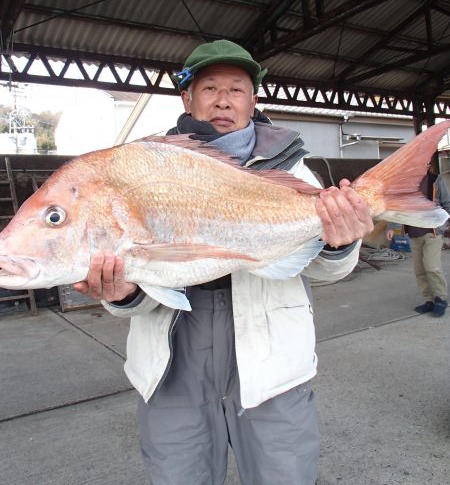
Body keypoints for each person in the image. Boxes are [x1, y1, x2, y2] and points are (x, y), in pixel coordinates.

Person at [74, 40, 374, 485]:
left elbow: (324, 271)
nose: (222, 99)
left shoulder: (292, 168)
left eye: (236, 89)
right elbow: (139, 288)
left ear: (253, 100)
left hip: (271, 359)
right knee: (179, 475)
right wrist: (122, 294)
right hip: (173, 359)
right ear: (187, 99)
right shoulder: (146, 165)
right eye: (209, 87)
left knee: (283, 473)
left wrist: (338, 245)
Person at [386, 158, 450, 318]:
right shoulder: (405, 185)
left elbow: (447, 203)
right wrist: (391, 227)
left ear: (428, 165)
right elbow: (395, 205)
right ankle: (429, 300)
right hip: (414, 233)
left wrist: (446, 223)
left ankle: (441, 299)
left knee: (432, 267)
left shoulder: (436, 180)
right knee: (420, 270)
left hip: (432, 232)